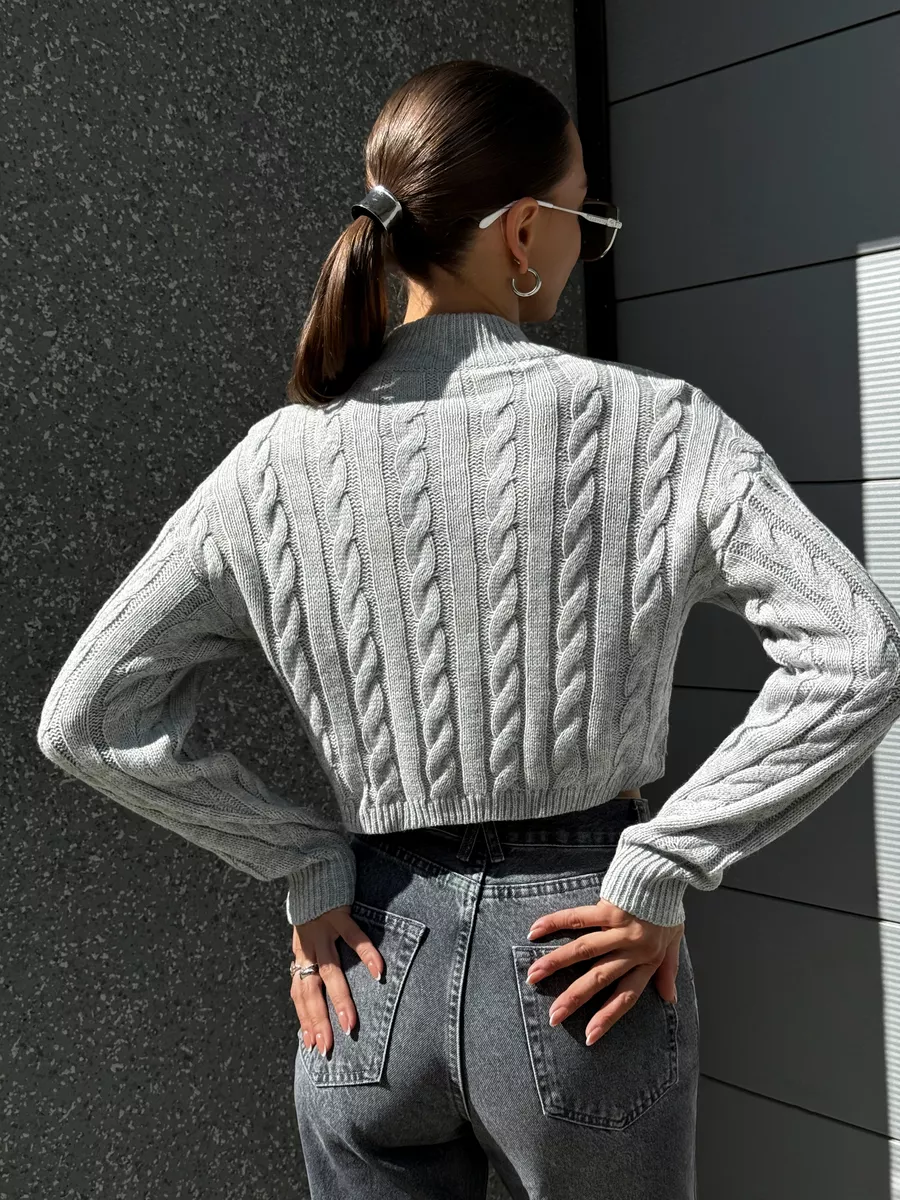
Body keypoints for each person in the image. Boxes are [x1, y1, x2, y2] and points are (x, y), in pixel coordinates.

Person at [36, 58, 900, 1200]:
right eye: (585, 218)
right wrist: (666, 859)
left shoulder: (275, 462)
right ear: (525, 231)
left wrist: (302, 860)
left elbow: (89, 715)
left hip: (369, 964)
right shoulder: (657, 428)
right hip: (582, 956)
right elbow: (858, 650)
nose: (585, 243)